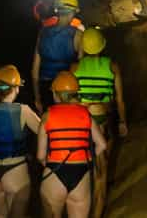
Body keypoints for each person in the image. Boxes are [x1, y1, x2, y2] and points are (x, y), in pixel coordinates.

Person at [70, 27, 127, 218]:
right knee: (101, 173)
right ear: (102, 46)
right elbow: (119, 99)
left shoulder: (74, 69)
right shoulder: (112, 66)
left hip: (81, 122)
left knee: (86, 170)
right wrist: (122, 122)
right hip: (104, 121)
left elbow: (70, 99)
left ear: (84, 48)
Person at [37, 71, 107, 218]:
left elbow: (40, 155)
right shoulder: (85, 114)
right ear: (75, 94)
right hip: (81, 174)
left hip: (55, 171)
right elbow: (102, 145)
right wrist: (89, 159)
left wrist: (50, 165)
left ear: (56, 94)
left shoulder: (48, 115)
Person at [0, 65, 41, 218]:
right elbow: (44, 132)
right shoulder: (23, 110)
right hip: (15, 171)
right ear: (16, 89)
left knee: (0, 213)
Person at [33, 0, 84, 113]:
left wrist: (37, 98)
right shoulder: (78, 35)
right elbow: (81, 69)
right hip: (67, 89)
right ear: (73, 12)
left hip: (46, 89)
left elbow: (34, 71)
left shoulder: (42, 33)